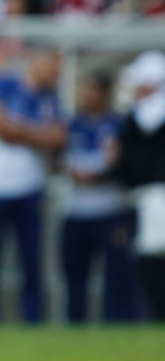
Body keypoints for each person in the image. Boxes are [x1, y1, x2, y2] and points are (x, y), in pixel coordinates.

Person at [0, 49, 67, 323]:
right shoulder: (4, 83)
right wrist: (37, 134)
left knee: (32, 259)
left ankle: (33, 320)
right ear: (37, 62)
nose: (57, 75)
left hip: (31, 188)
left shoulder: (52, 98)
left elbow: (57, 139)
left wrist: (18, 130)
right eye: (53, 68)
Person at [60, 71, 135, 323]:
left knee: (116, 274)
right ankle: (75, 325)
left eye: (92, 90)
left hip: (109, 209)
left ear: (104, 94)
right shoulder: (73, 124)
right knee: (74, 275)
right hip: (76, 210)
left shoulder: (120, 125)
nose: (86, 96)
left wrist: (103, 173)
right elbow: (58, 159)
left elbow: (125, 165)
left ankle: (115, 323)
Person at [114, 51, 165, 320]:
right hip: (149, 194)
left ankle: (158, 315)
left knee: (152, 257)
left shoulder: (150, 113)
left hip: (156, 194)